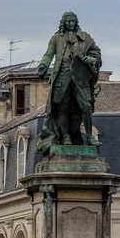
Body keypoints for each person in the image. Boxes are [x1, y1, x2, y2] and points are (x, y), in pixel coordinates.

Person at [36, 11, 102, 155]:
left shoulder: (85, 37)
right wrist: (43, 65)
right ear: (63, 23)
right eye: (68, 21)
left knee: (85, 106)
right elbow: (48, 54)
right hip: (62, 77)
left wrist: (92, 59)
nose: (71, 24)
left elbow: (95, 52)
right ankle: (65, 137)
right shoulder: (56, 38)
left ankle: (90, 137)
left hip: (79, 78)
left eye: (73, 21)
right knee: (62, 108)